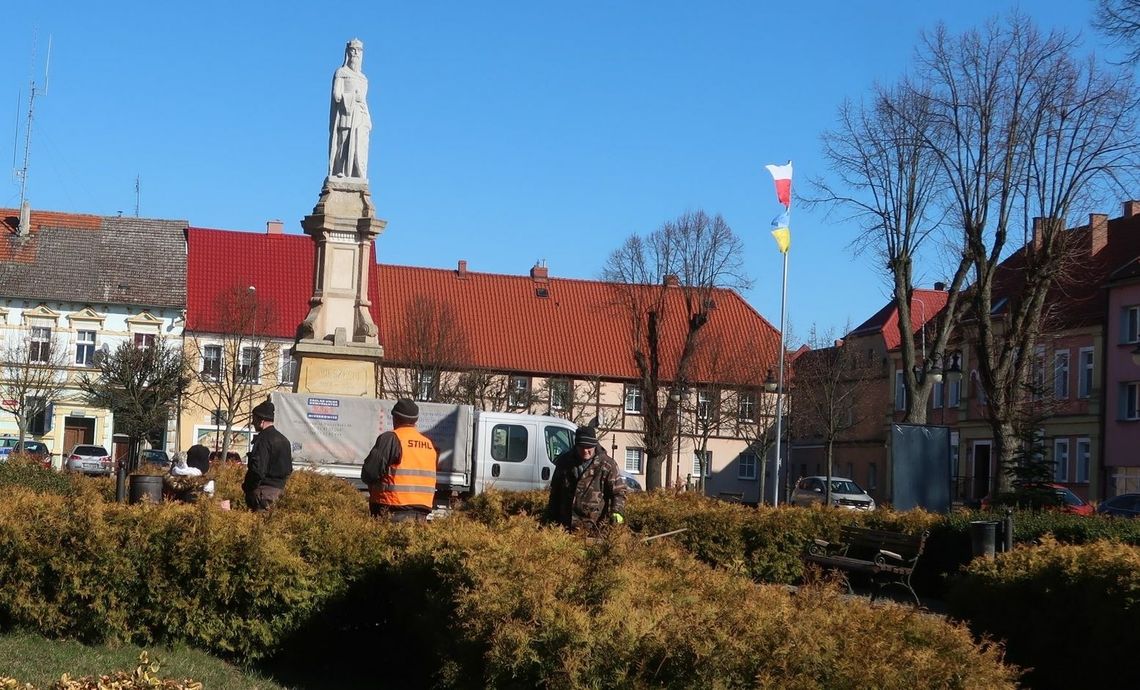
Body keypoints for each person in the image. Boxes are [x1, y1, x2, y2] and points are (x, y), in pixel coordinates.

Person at [361, 398, 438, 523]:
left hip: (392, 510)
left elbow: (369, 473)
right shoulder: (428, 444)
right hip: (422, 514)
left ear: (395, 417)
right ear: (416, 420)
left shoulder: (391, 438)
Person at [545, 426, 627, 533]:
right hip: (564, 527)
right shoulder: (564, 462)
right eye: (581, 447)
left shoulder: (607, 465)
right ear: (576, 446)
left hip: (594, 527)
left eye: (589, 447)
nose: (585, 451)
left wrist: (617, 511)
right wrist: (550, 518)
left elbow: (618, 492)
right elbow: (555, 492)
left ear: (594, 445)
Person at [327, 38, 372, 180]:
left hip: (360, 117)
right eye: (353, 50)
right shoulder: (341, 73)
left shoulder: (363, 78)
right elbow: (337, 96)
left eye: (359, 51)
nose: (356, 53)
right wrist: (353, 97)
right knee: (343, 144)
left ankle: (356, 171)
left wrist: (368, 118)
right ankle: (340, 170)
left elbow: (364, 101)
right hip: (345, 115)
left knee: (359, 145)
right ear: (348, 52)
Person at [242, 400, 293, 511]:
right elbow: (289, 469)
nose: (252, 423)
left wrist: (248, 487)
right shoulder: (284, 440)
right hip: (279, 492)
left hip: (262, 494)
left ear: (261, 420)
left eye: (254, 419)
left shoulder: (263, 440)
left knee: (258, 526)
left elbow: (258, 470)